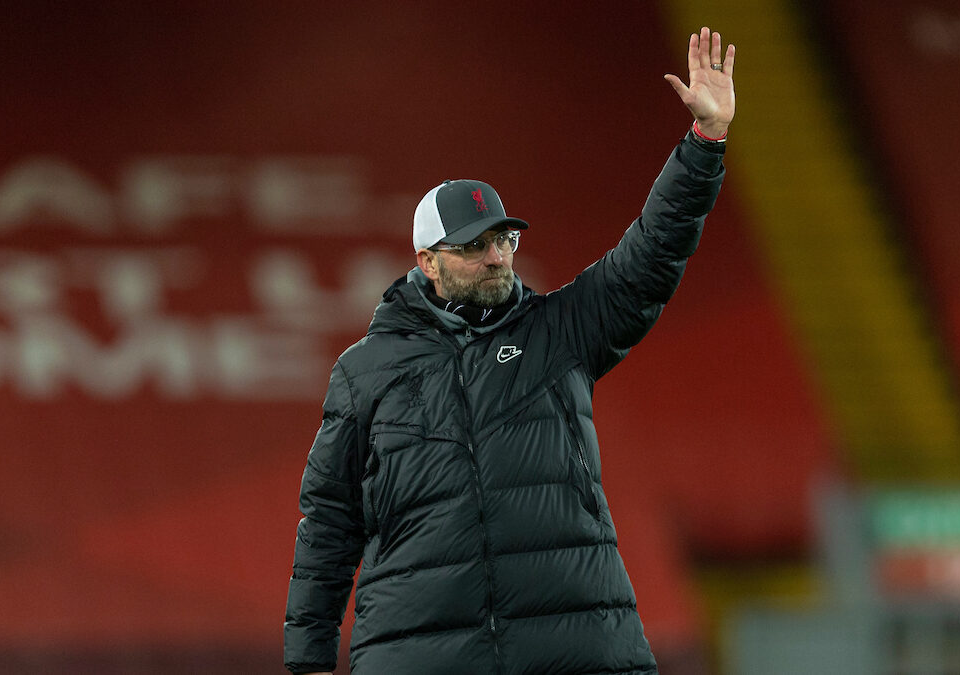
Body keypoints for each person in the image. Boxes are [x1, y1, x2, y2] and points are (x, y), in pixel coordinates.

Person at [284, 27, 736, 675]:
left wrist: (705, 144)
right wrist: (306, 662)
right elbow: (328, 523)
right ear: (427, 261)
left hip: (574, 649)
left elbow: (651, 255)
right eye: (474, 245)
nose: (496, 255)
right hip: (420, 655)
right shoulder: (365, 374)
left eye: (503, 239)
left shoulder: (562, 331)